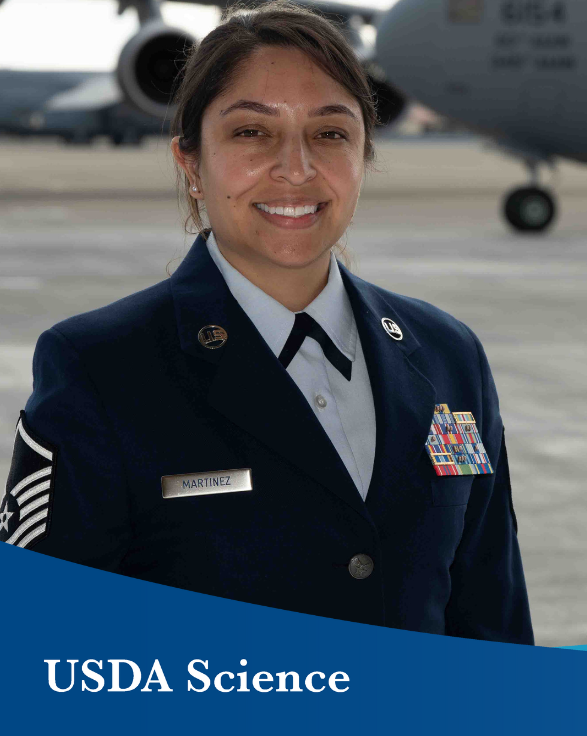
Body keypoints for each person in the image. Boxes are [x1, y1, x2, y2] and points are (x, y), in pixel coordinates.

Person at [1, 1, 532, 644]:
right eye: (252, 132)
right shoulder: (102, 370)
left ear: (364, 157)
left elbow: (493, 626)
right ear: (191, 164)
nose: (296, 168)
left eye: (330, 133)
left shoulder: (448, 358)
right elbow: (44, 645)